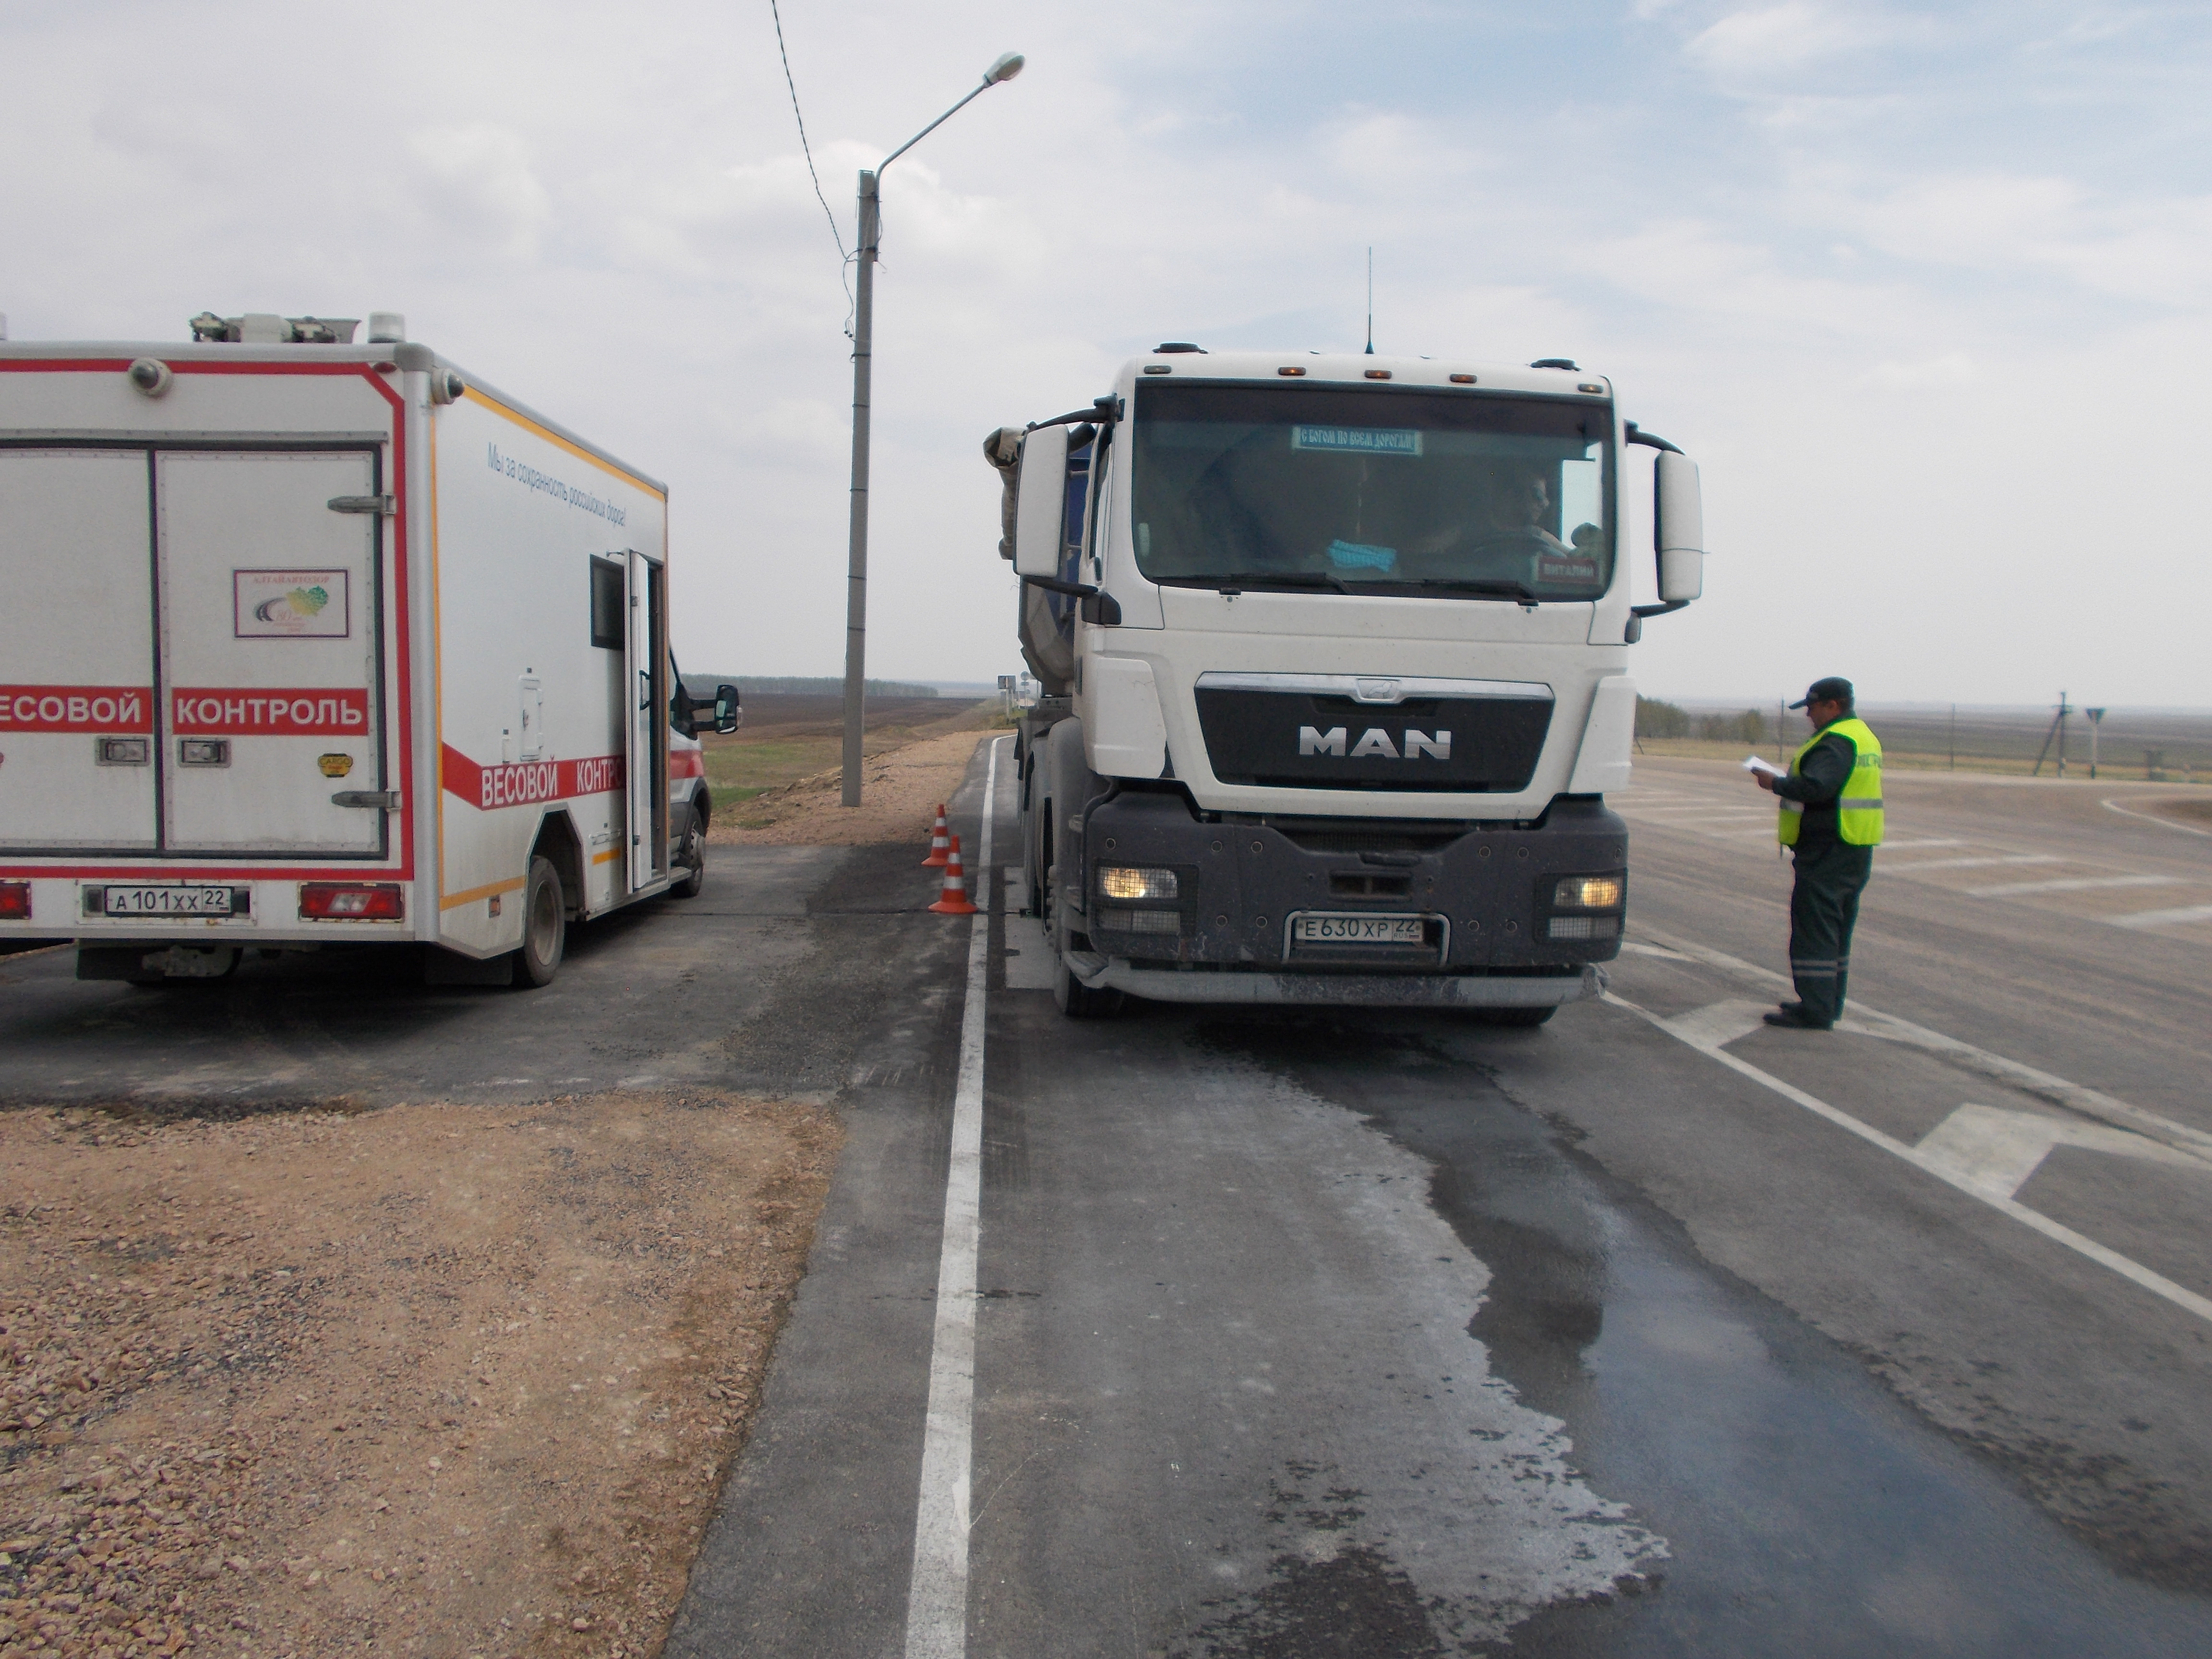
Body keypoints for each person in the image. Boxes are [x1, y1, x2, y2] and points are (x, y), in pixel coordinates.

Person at [1749, 676, 1884, 1029]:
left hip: (1829, 849)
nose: (1808, 714)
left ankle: (1815, 1009)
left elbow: (1818, 787)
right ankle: (1827, 1002)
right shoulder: (1862, 734)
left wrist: (1775, 783)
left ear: (1833, 706)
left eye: (1813, 707)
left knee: (1815, 930)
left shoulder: (1836, 741)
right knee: (1836, 930)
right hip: (1854, 846)